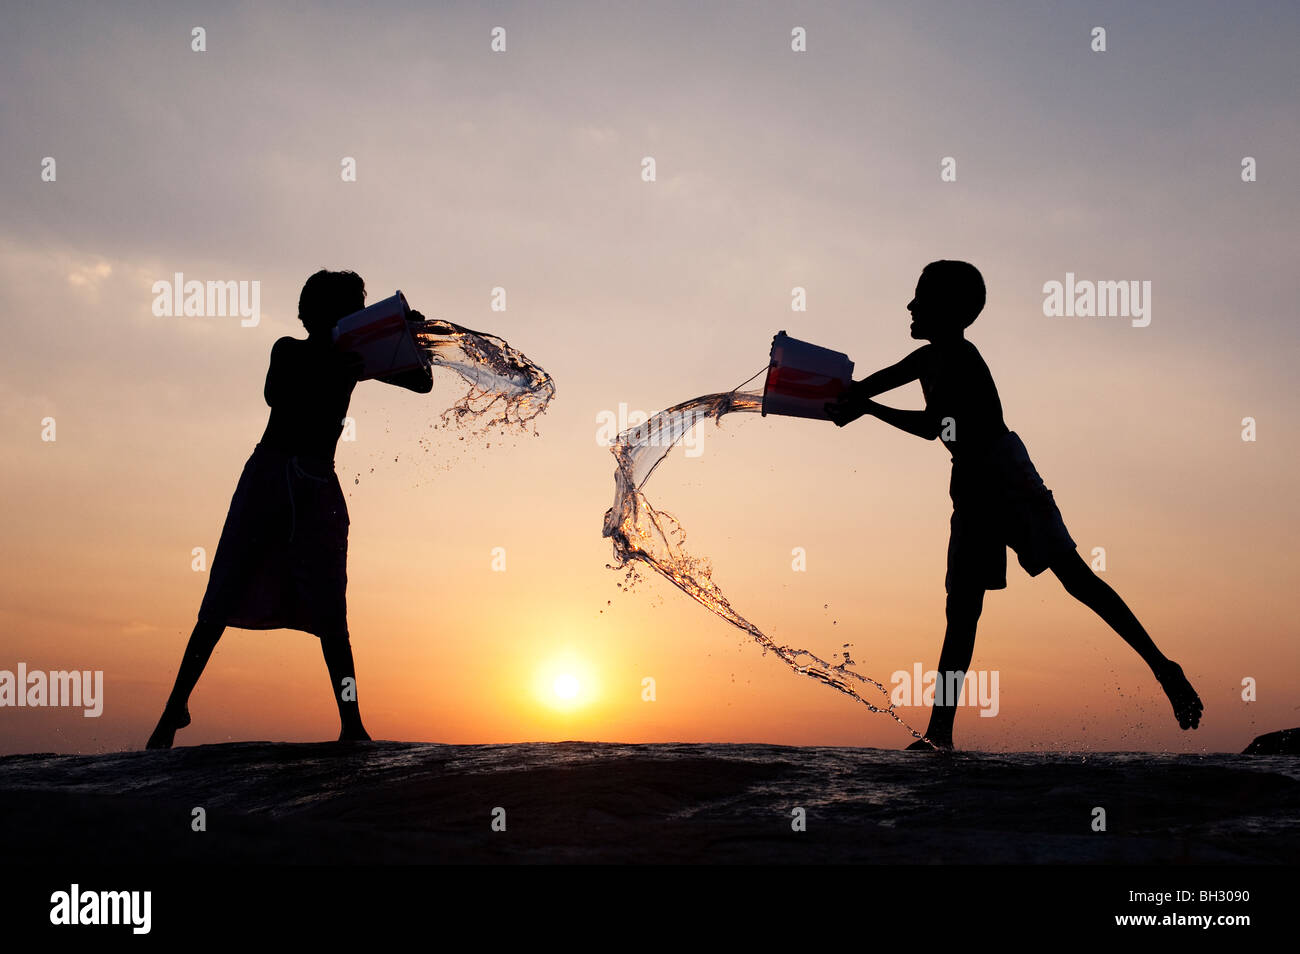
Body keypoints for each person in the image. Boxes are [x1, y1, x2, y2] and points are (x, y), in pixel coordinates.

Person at [826, 260, 1202, 750]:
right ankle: (940, 733)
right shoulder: (924, 360)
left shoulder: (960, 359)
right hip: (970, 484)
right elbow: (866, 386)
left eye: (921, 297)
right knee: (961, 611)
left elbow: (934, 427)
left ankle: (1163, 668)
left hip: (1003, 474)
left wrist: (867, 409)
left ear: (949, 310)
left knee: (1076, 579)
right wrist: (831, 393)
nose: (910, 306)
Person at [147, 270, 433, 749]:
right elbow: (276, 395)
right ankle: (173, 708)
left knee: (331, 612)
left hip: (317, 485)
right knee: (222, 593)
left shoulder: (354, 355)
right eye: (346, 309)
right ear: (312, 314)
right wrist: (349, 352)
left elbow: (421, 384)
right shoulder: (290, 350)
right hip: (268, 476)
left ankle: (352, 724)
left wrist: (408, 337)